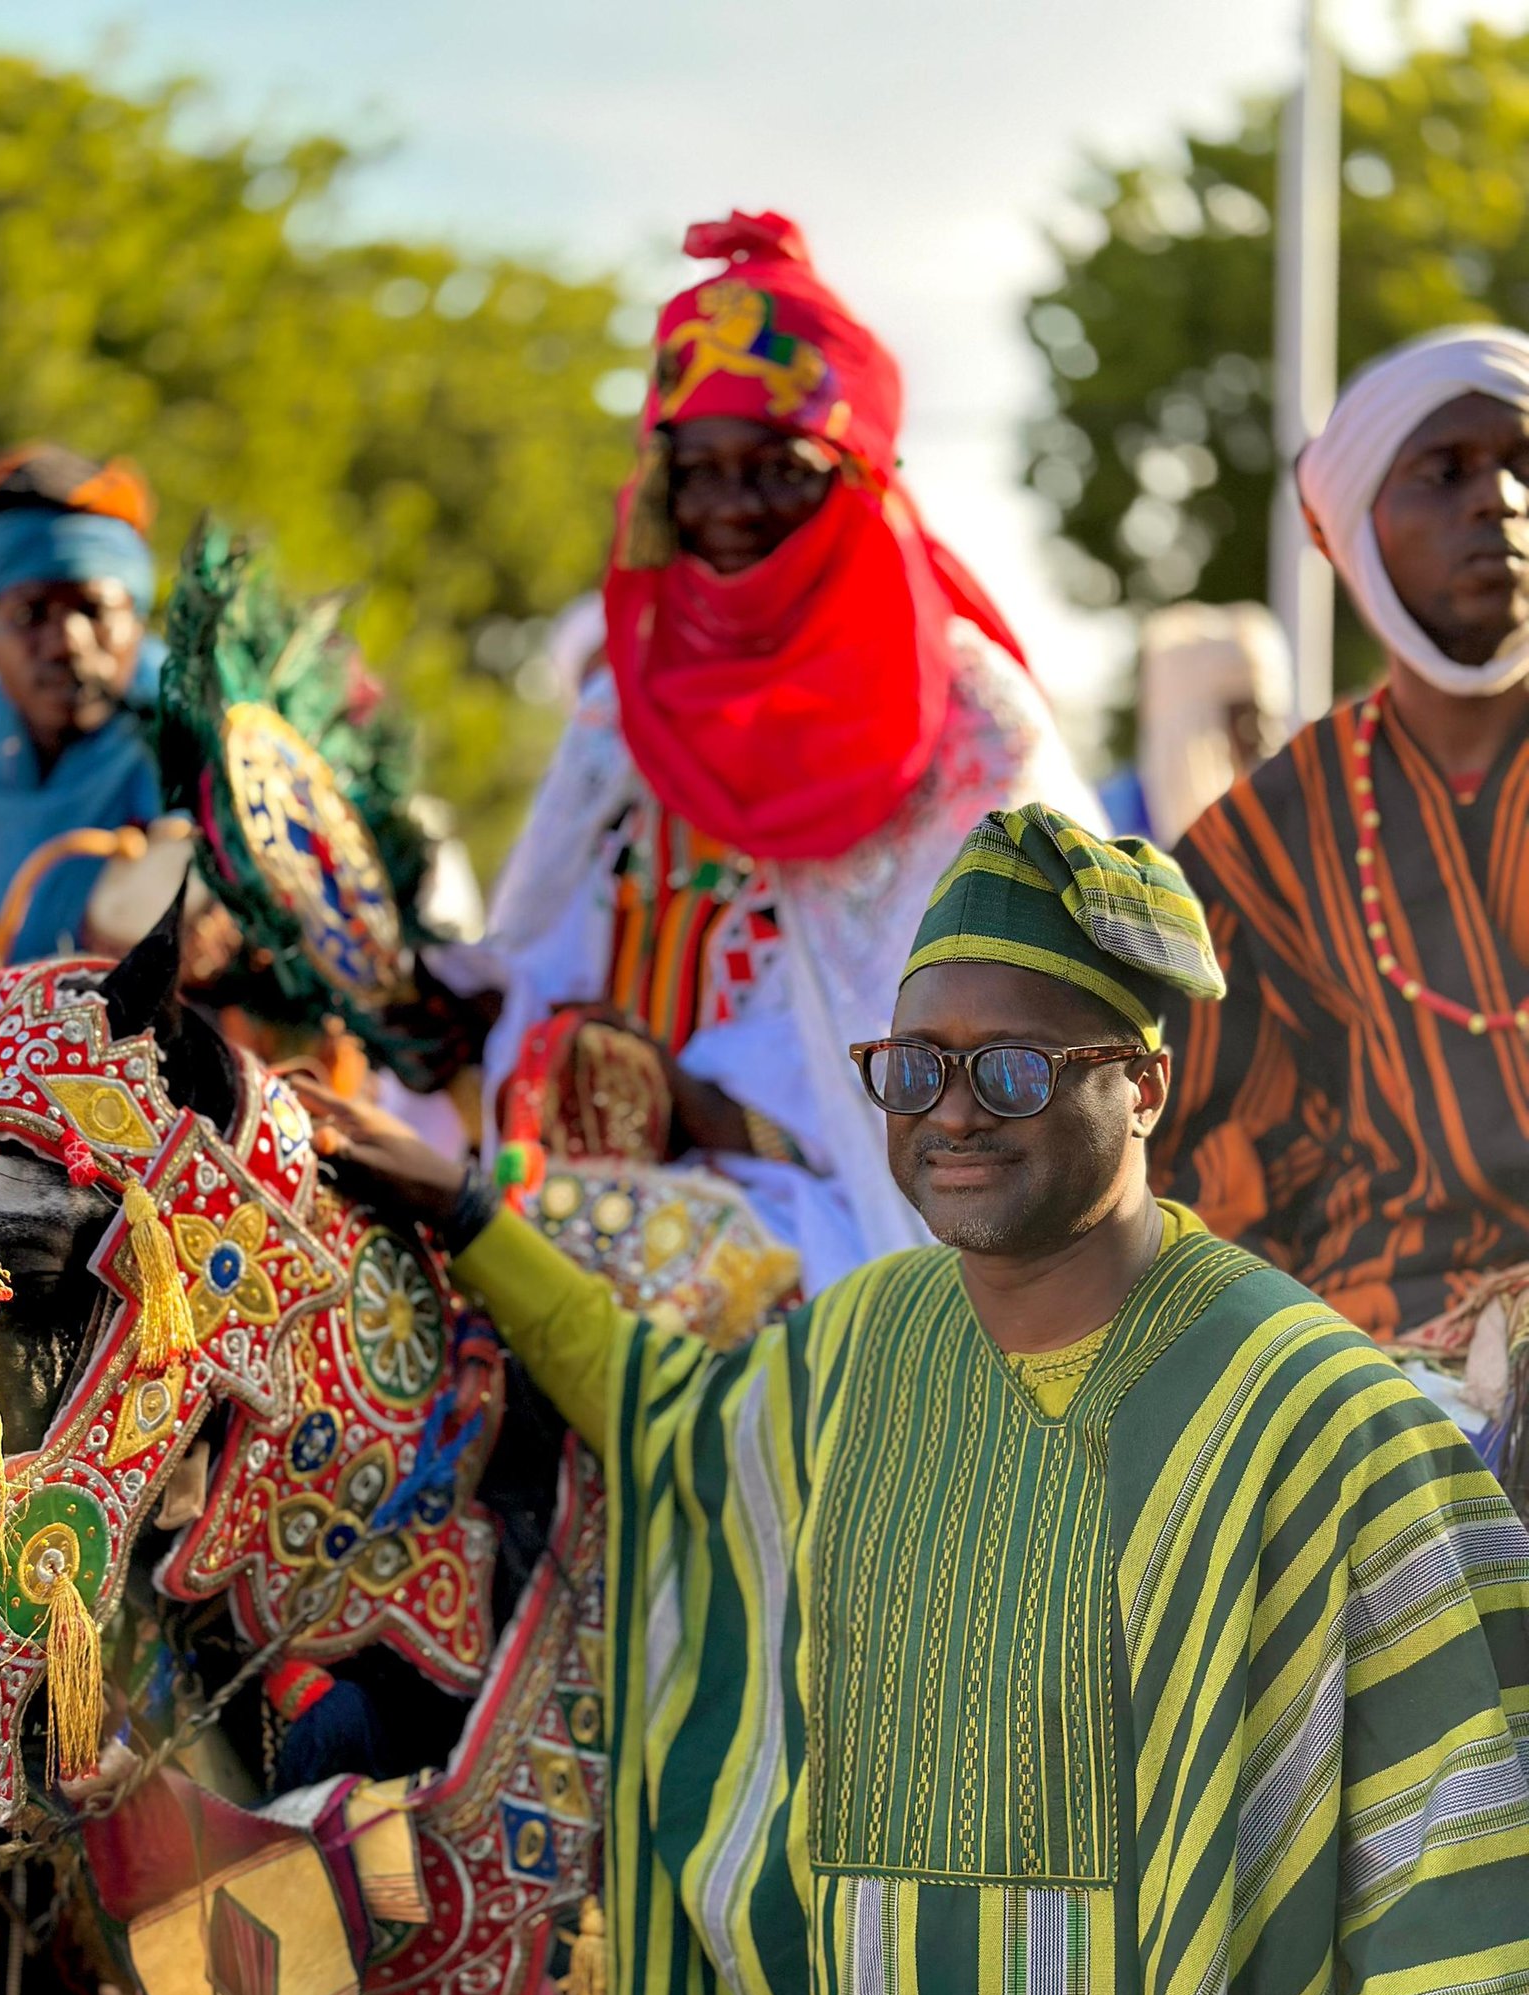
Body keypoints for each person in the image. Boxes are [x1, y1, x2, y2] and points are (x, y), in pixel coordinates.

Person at [303, 803, 1529, 1995]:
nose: (951, 1113)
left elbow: (1455, 1976)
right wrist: (465, 1208)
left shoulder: (1328, 1438)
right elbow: (663, 1413)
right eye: (913, 1069)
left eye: (1010, 1069)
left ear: (1146, 1085)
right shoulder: (865, 1354)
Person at [466, 209, 1100, 1292]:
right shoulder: (625, 710)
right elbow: (523, 965)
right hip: (586, 1209)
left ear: (859, 477)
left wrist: (711, 1110)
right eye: (696, 472)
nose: (727, 508)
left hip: (883, 1245)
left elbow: (1026, 1047)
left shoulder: (968, 719)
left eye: (775, 467)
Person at [1153, 327, 1529, 1463]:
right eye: (1445, 471)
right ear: (1356, 526)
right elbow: (1194, 1162)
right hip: (1367, 1361)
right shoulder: (1257, 842)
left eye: (1522, 463)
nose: (1500, 502)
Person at [0, 443, 164, 960]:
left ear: (138, 621)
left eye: (95, 609)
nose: (67, 643)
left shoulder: (199, 759)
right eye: (31, 615)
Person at [1099, 600, 1292, 844]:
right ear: (1194, 720)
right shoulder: (1110, 822)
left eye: (1269, 717)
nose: (1266, 736)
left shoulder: (1268, 820)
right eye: (1247, 717)